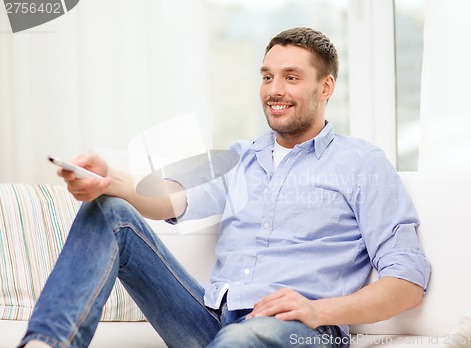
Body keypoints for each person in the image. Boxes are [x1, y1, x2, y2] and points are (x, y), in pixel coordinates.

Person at [20, 27, 430, 348]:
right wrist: (111, 179)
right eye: (267, 77)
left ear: (326, 87)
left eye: (291, 77)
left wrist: (318, 310)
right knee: (111, 211)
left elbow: (407, 282)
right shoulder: (238, 156)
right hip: (211, 322)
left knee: (246, 337)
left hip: (298, 331)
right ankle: (45, 342)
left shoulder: (363, 164)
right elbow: (169, 199)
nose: (274, 90)